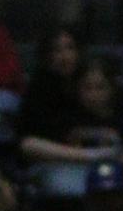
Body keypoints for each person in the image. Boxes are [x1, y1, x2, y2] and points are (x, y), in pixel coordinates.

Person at [20, 56, 123, 169]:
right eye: (87, 87)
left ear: (112, 89)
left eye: (100, 87)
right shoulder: (67, 117)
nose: (93, 95)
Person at [17, 27, 87, 163]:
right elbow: (29, 139)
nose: (65, 56)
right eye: (57, 50)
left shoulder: (87, 82)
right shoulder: (38, 90)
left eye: (70, 48)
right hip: (50, 157)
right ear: (47, 55)